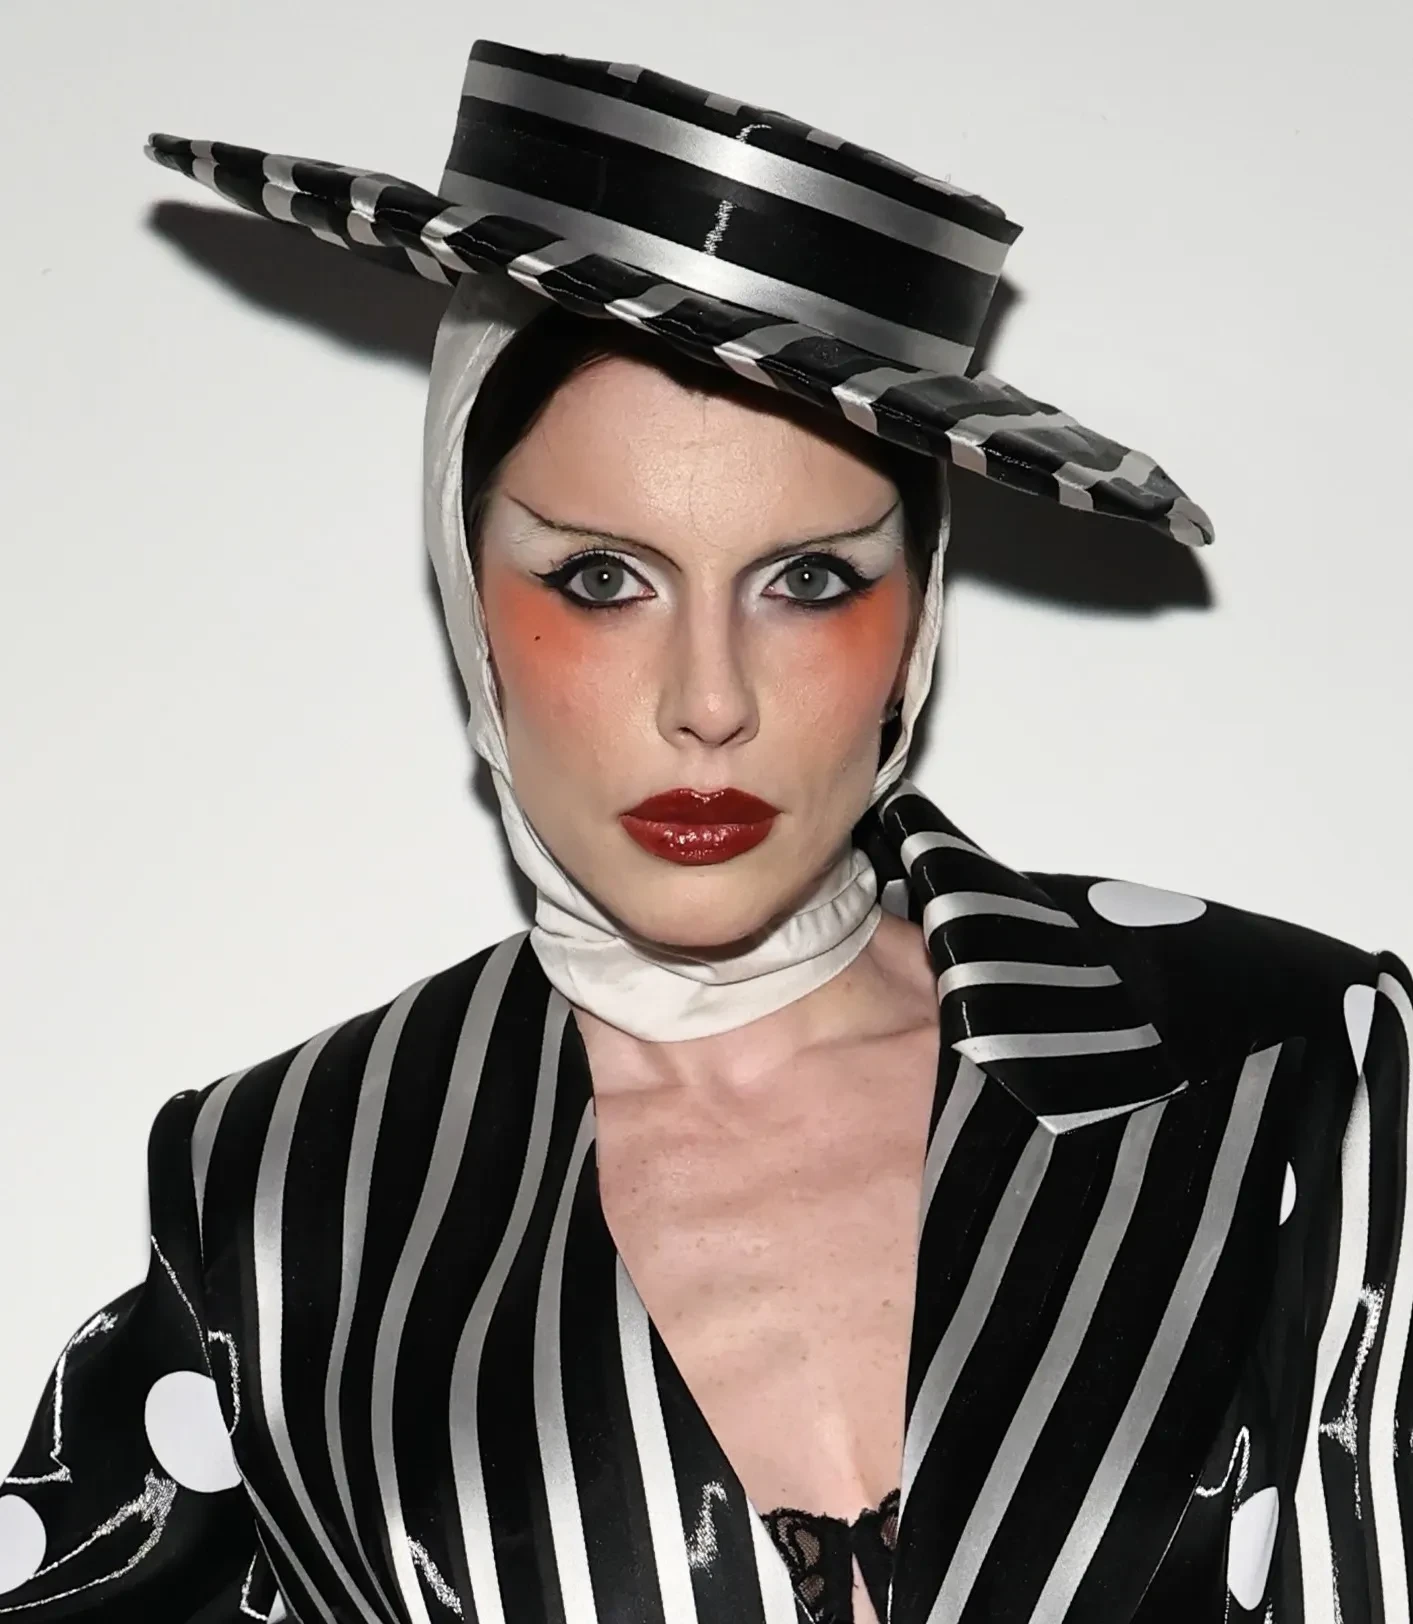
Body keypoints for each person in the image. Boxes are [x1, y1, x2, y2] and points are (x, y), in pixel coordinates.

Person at [0, 35, 1407, 1624]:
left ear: (917, 609)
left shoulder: (1297, 1068)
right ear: (465, 580)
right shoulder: (287, 1204)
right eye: (603, 579)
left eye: (809, 580)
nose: (710, 703)